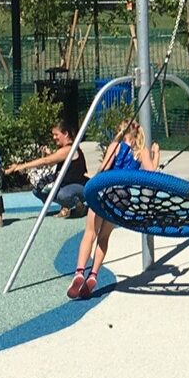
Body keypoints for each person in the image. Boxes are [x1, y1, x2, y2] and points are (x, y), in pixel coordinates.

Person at [66, 118, 160, 301]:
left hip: (104, 192)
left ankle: (79, 272)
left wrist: (92, 179)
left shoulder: (115, 146)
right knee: (104, 236)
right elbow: (152, 173)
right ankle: (93, 275)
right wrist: (156, 154)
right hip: (121, 198)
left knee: (90, 233)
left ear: (122, 131)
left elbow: (104, 168)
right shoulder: (141, 151)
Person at [8, 119, 89, 219]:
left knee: (61, 194)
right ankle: (65, 206)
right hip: (66, 184)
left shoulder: (69, 149)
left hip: (79, 185)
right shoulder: (63, 150)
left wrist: (22, 166)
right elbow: (53, 161)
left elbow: (47, 161)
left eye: (56, 134)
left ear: (66, 134)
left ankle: (78, 205)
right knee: (38, 190)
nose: (54, 138)